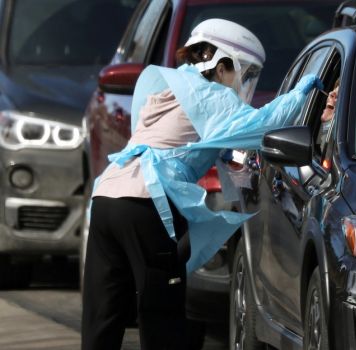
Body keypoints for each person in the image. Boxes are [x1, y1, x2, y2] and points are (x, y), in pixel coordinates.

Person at [81, 18, 321, 350]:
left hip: (107, 198)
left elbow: (192, 140)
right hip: (147, 204)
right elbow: (264, 124)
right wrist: (304, 92)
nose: (243, 81)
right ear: (222, 64)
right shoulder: (212, 96)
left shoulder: (173, 88)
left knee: (102, 315)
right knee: (160, 313)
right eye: (244, 71)